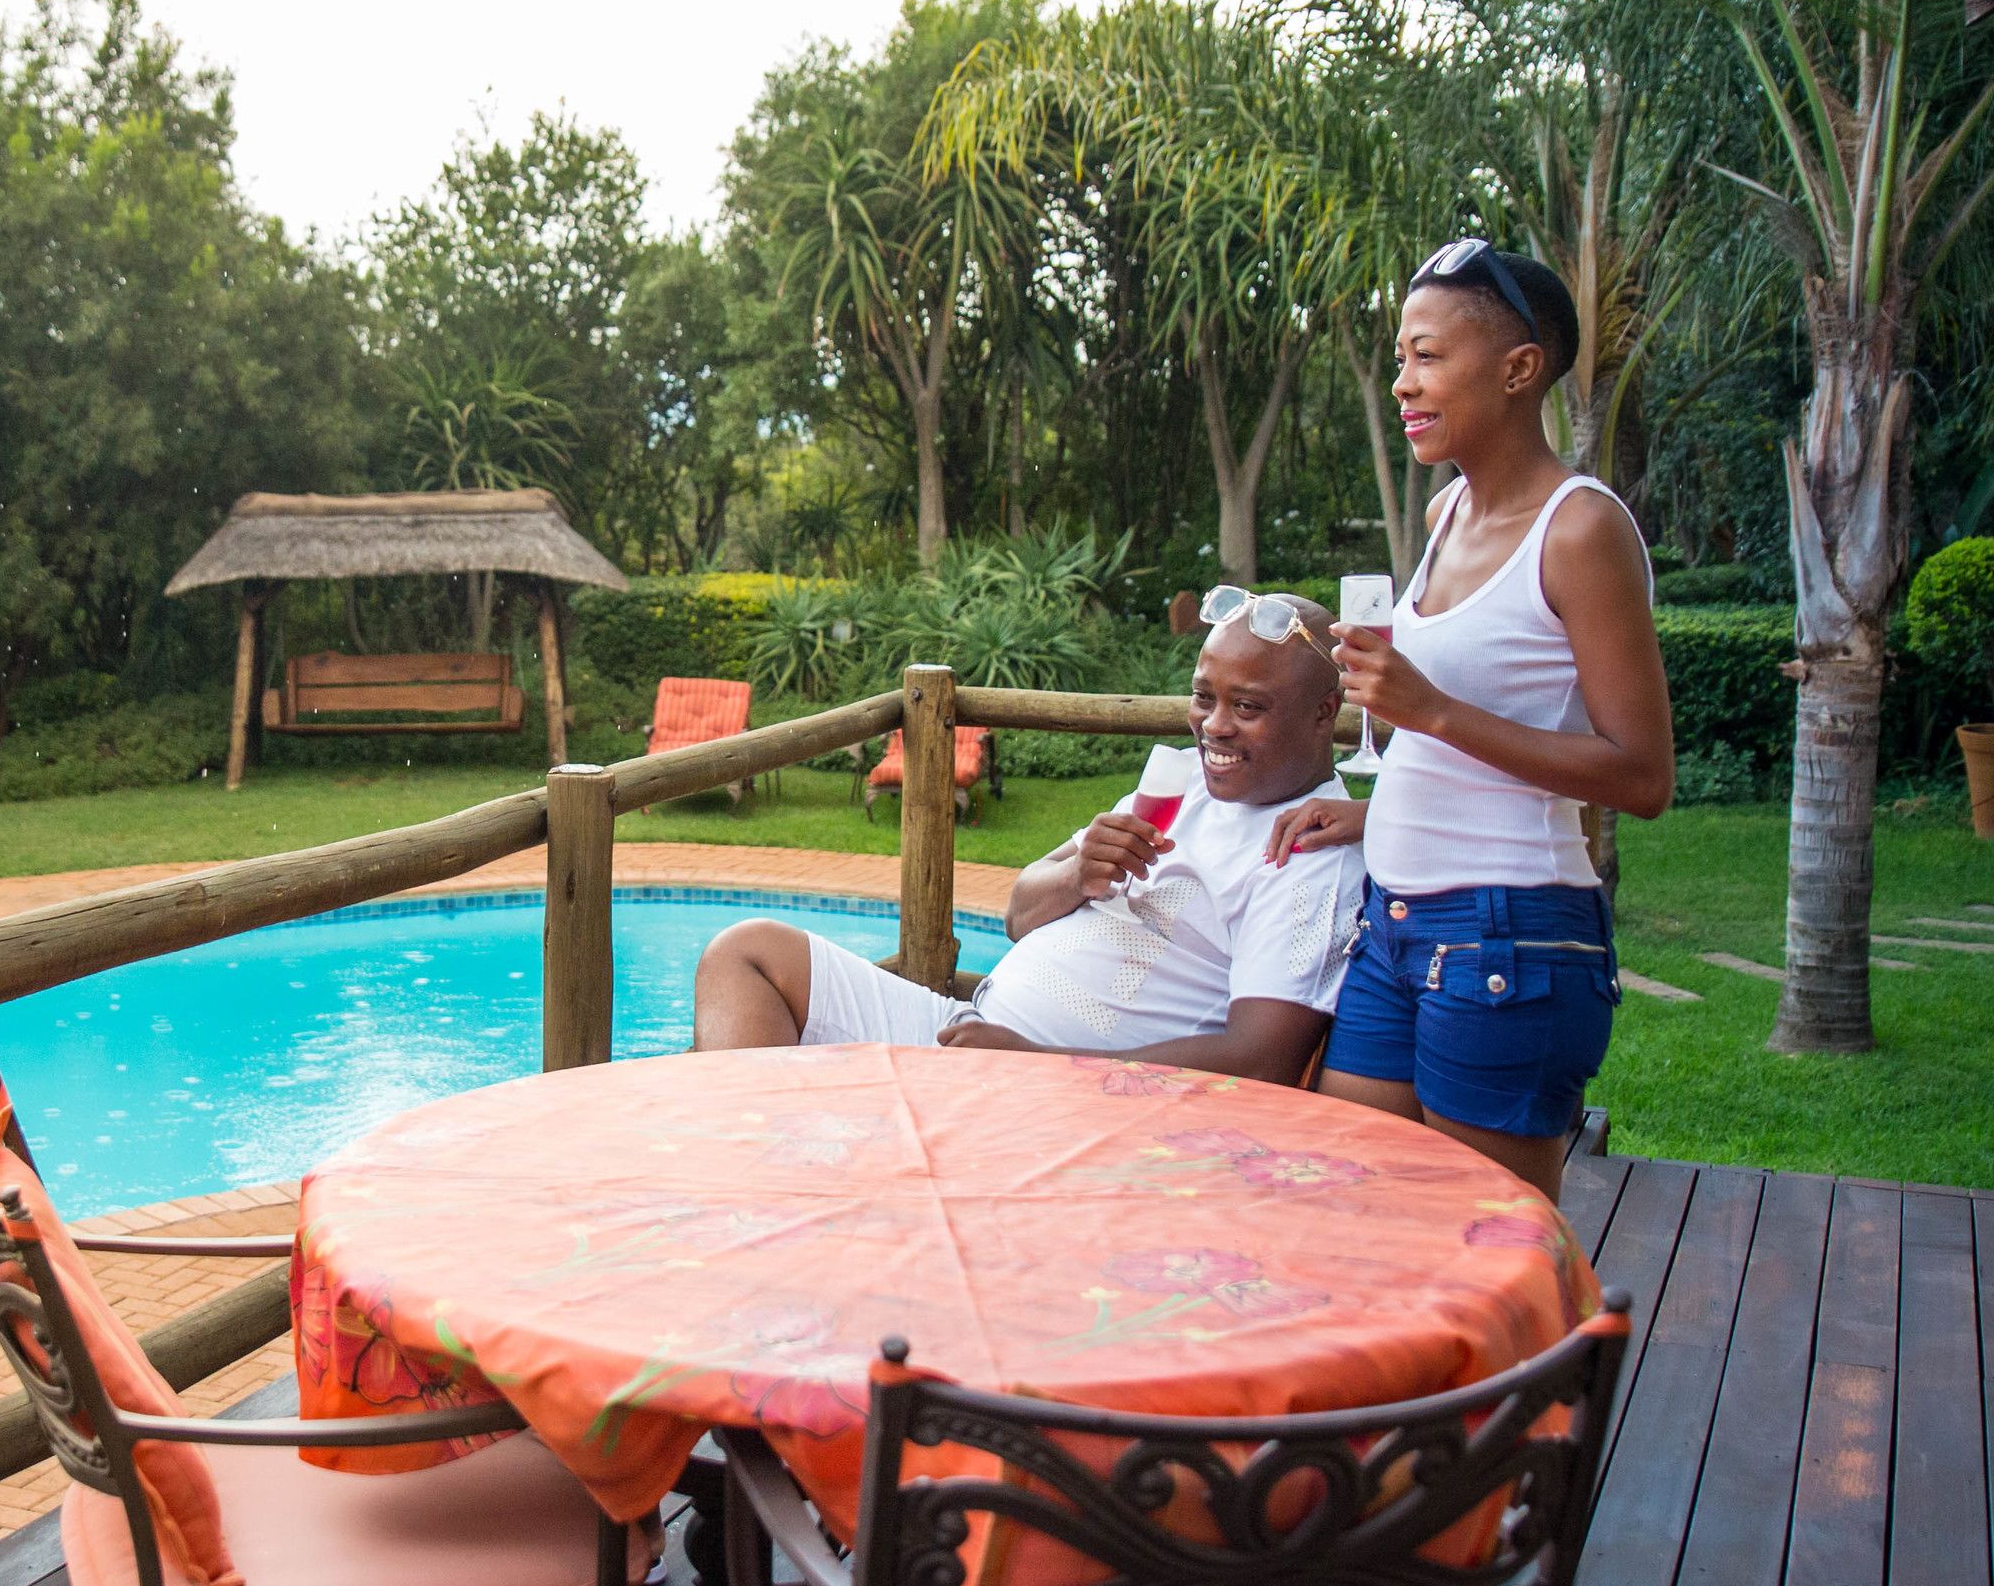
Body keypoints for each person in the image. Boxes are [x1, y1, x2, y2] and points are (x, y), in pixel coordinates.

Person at [1266, 239, 1675, 1197]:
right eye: (1402, 357)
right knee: (1361, 1209)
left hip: (1509, 937)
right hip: (1397, 926)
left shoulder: (1580, 529)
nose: (1403, 383)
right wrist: (1380, 814)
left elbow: (1642, 776)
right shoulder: (1450, 512)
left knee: (1485, 1242)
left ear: (1519, 369)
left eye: (1427, 357)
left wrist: (1434, 711)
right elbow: (1474, 737)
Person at [690, 606, 1365, 1081]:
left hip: (1070, 1090)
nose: (1213, 727)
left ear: (1323, 712)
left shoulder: (1309, 848)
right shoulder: (1181, 786)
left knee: (725, 1060)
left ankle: (747, 1179)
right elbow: (1018, 913)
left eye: (1246, 708)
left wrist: (1038, 1063)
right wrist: (1077, 876)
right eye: (1202, 697)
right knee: (747, 955)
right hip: (973, 1034)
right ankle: (752, 1162)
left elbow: (1263, 1063)